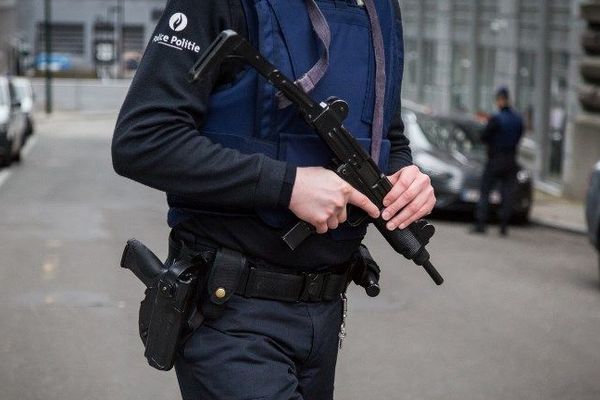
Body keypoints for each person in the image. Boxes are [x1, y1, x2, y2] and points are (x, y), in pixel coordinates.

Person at [112, 0, 435, 399]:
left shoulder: (382, 9)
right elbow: (142, 139)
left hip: (325, 312)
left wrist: (407, 177)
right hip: (229, 315)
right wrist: (288, 185)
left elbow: (389, 136)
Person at [472, 87, 524, 236]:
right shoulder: (518, 119)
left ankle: (481, 224)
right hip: (511, 160)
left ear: (500, 100)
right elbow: (519, 136)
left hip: (495, 159)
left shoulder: (496, 119)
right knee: (507, 194)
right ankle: (503, 226)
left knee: (485, 191)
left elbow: (483, 137)